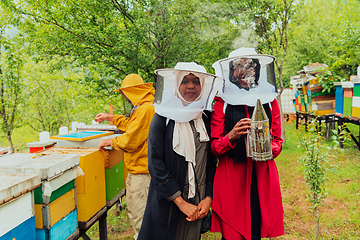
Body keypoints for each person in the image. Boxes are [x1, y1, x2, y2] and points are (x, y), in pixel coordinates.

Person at [138, 62, 222, 240]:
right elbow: (155, 164)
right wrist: (181, 202)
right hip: (170, 201)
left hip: (198, 201)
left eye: (195, 81)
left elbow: (210, 162)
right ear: (176, 85)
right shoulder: (162, 116)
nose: (190, 86)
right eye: (184, 81)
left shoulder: (205, 117)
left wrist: (208, 197)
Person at [210, 47, 285, 240]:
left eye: (250, 65)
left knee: (256, 228)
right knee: (233, 231)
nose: (244, 71)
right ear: (231, 72)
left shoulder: (269, 101)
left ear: (257, 70)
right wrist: (232, 136)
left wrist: (268, 146)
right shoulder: (222, 102)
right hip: (232, 177)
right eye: (238, 66)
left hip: (261, 176)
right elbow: (215, 147)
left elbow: (278, 141)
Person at [94, 73, 155, 240]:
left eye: (124, 93)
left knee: (141, 219)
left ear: (131, 92)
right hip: (139, 171)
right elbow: (132, 125)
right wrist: (112, 118)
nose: (124, 97)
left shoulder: (145, 109)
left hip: (143, 174)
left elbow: (131, 140)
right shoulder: (144, 107)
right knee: (136, 213)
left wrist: (110, 141)